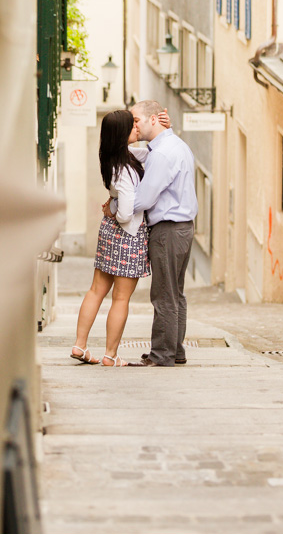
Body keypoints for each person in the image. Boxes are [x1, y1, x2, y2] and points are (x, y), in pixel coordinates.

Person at [105, 100, 197, 367]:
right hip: (183, 228)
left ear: (153, 120)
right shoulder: (173, 145)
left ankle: (162, 354)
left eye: (135, 120)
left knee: (163, 294)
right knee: (175, 293)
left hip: (168, 230)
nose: (133, 125)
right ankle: (175, 351)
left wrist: (114, 205)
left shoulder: (161, 154)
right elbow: (139, 155)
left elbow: (143, 200)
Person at [71, 109, 151, 367]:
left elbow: (151, 153)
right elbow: (127, 214)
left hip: (109, 232)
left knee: (96, 291)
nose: (137, 129)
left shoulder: (114, 158)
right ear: (122, 133)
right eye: (132, 126)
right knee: (121, 298)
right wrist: (116, 208)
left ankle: (79, 345)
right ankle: (110, 354)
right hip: (127, 234)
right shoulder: (126, 170)